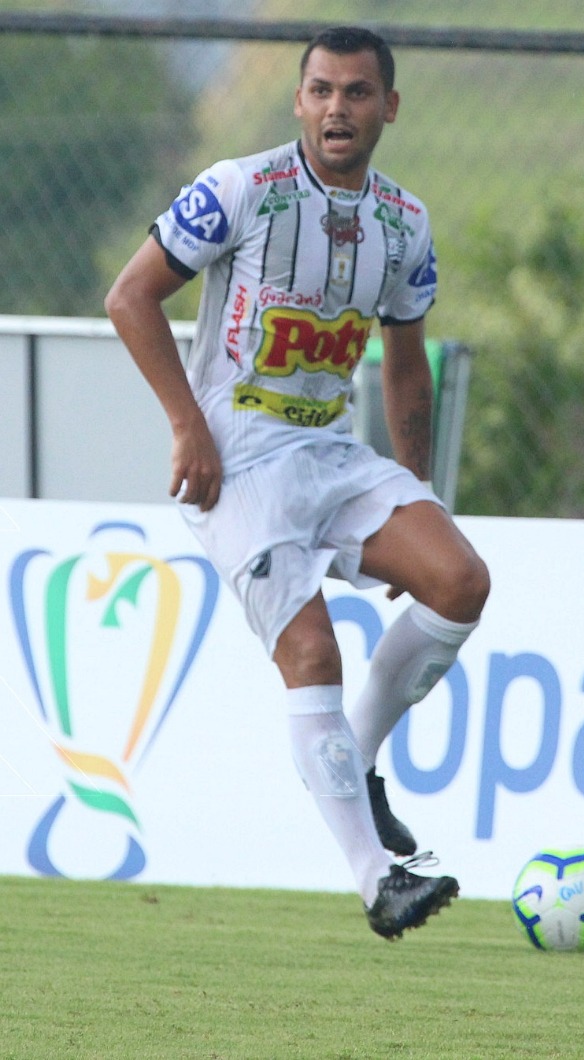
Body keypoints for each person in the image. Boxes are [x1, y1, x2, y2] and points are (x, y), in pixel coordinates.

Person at [105, 26, 490, 941]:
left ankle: (355, 762)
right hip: (236, 459)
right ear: (298, 101)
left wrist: (416, 491)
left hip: (331, 447)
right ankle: (375, 880)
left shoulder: (406, 222)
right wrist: (187, 426)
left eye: (357, 93)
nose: (336, 109)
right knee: (312, 652)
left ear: (389, 106)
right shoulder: (240, 187)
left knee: (460, 580)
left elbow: (406, 364)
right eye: (320, 90)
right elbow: (130, 297)